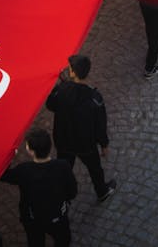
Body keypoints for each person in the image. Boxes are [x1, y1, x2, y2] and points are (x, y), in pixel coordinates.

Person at [46, 55, 115, 202]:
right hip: (86, 143)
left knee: (64, 170)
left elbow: (50, 105)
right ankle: (102, 191)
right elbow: (100, 125)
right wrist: (104, 144)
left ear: (72, 72)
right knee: (95, 169)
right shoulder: (94, 97)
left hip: (64, 140)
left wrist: (59, 87)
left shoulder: (61, 91)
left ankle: (61, 196)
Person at [0, 127, 77, 246]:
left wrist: (8, 157)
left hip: (33, 219)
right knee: (63, 240)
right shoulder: (63, 166)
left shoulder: (24, 170)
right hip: (58, 216)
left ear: (31, 151)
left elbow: (3, 175)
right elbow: (72, 192)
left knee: (35, 242)